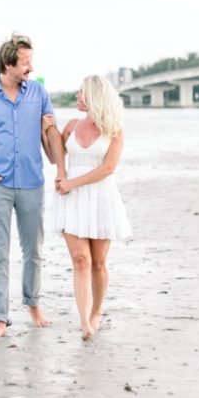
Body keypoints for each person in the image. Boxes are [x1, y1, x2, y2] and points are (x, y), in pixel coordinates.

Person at [0, 33, 63, 338]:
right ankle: (0, 318)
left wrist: (53, 133)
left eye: (31, 61)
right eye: (26, 63)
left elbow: (52, 147)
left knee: (33, 250)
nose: (31, 67)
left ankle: (33, 304)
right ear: (8, 64)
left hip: (32, 183)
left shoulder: (39, 93)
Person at [48, 74, 132, 341]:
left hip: (100, 199)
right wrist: (46, 131)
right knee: (80, 260)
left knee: (98, 262)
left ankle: (97, 310)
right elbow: (54, 156)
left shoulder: (114, 130)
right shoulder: (71, 126)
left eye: (81, 93)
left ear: (94, 96)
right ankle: (84, 320)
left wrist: (74, 181)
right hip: (71, 199)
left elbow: (108, 168)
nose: (77, 97)